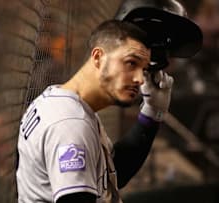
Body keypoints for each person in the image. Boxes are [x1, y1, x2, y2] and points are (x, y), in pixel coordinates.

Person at [16, 19, 173, 203]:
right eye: (131, 63)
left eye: (143, 69)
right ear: (98, 57)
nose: (139, 78)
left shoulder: (61, 100)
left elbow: (114, 173)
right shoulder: (70, 123)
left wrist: (152, 114)